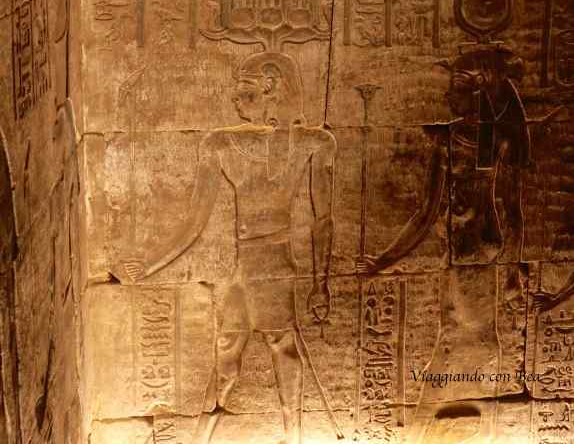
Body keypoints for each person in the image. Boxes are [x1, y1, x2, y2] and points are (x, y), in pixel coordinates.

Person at [118, 52, 336, 444]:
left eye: (245, 89)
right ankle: (206, 434)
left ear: (271, 88)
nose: (235, 98)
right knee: (231, 351)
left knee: (278, 345)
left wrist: (322, 284)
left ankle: (294, 433)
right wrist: (147, 265)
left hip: (275, 267)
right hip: (245, 268)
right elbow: (194, 223)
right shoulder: (220, 144)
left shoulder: (314, 143)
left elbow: (323, 220)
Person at [357, 44, 530, 444]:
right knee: (466, 338)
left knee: (465, 339)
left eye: (456, 88)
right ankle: (455, 424)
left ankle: (438, 425)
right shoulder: (454, 142)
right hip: (465, 254)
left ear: (478, 93)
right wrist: (383, 260)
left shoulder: (491, 143)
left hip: (476, 255)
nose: (448, 96)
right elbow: (428, 214)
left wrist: (512, 273)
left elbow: (511, 213)